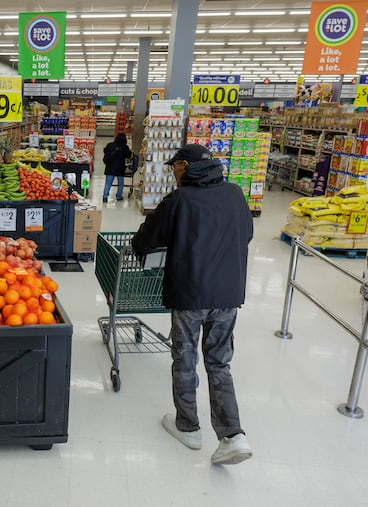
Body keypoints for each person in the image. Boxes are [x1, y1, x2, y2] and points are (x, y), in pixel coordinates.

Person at [131, 143, 254, 466]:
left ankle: (188, 427)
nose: (173, 173)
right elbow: (247, 234)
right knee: (219, 363)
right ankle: (233, 436)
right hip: (227, 295)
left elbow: (147, 239)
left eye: (174, 167)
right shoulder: (235, 194)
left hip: (190, 294)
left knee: (185, 360)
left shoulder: (180, 199)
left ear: (184, 166)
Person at [102, 133, 132, 201]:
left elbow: (105, 152)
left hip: (110, 167)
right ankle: (119, 196)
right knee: (120, 183)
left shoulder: (110, 145)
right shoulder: (125, 147)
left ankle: (105, 196)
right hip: (120, 167)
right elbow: (129, 156)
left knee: (108, 183)